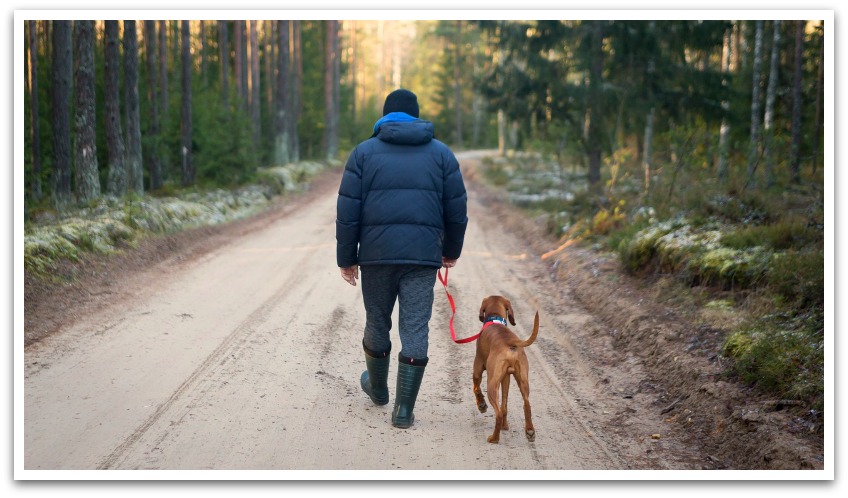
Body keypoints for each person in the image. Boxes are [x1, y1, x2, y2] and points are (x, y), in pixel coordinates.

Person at [336, 88, 468, 429]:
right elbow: (457, 210)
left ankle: (378, 389)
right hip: (422, 258)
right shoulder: (442, 155)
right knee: (415, 326)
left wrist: (346, 258)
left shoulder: (363, 153)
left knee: (377, 320)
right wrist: (450, 250)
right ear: (417, 116)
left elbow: (348, 213)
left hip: (377, 256)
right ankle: (404, 410)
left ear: (384, 116)